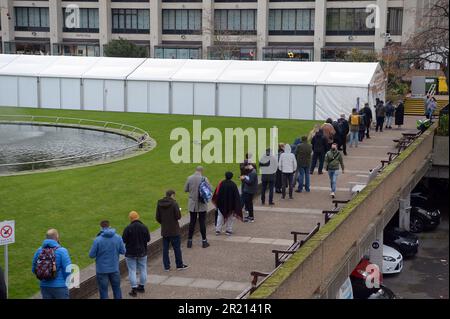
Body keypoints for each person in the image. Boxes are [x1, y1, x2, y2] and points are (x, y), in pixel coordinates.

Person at [89, 220, 126, 299]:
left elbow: (91, 255)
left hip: (102, 270)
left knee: (103, 291)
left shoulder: (97, 240)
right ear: (109, 226)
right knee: (116, 289)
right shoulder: (118, 237)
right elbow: (123, 251)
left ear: (101, 227)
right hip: (114, 268)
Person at [32, 229, 72, 299]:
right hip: (60, 286)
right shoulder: (62, 251)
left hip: (44, 286)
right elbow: (68, 269)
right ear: (57, 237)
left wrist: (43, 276)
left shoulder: (39, 251)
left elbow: (34, 268)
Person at [156, 190, 189, 271]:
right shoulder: (174, 203)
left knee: (165, 249)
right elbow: (178, 216)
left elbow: (157, 217)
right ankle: (179, 265)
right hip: (174, 230)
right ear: (172, 195)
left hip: (165, 230)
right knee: (177, 248)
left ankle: (166, 266)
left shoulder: (159, 204)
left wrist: (163, 223)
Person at [122, 211, 151, 297]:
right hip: (142, 251)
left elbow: (123, 240)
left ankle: (134, 289)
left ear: (130, 219)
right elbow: (148, 239)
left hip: (130, 253)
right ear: (138, 217)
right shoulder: (144, 227)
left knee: (132, 270)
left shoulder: (128, 228)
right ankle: (141, 286)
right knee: (143, 269)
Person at [184, 166, 210, 248]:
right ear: (202, 171)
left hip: (192, 203)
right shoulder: (204, 178)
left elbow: (185, 189)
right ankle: (204, 241)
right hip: (202, 203)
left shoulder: (189, 178)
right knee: (202, 222)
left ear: (195, 170)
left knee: (192, 222)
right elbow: (209, 189)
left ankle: (189, 241)